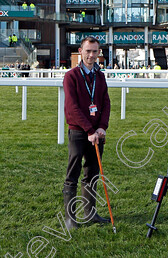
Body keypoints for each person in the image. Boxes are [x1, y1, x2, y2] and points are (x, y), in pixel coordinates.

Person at [62, 37, 111, 230]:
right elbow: (72, 107)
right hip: (79, 131)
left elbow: (105, 103)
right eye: (88, 51)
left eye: (95, 52)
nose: (92, 55)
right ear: (80, 51)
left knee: (92, 173)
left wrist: (102, 127)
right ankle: (70, 218)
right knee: (72, 173)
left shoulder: (100, 76)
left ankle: (90, 213)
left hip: (97, 132)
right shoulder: (71, 76)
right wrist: (89, 130)